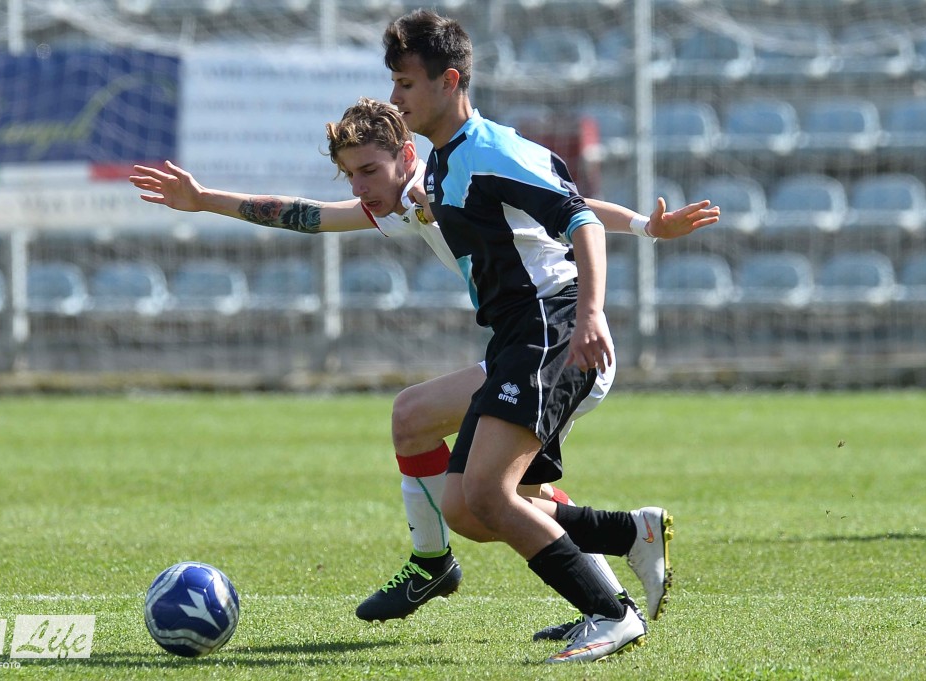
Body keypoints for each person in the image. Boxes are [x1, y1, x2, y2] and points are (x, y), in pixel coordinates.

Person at [129, 98, 716, 650]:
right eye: (350, 175)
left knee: (487, 493)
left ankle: (587, 587)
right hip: (522, 344)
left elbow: (568, 205)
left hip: (556, 338)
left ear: (406, 154)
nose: (359, 187)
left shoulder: (441, 180)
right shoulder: (407, 198)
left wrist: (644, 227)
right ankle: (597, 548)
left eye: (368, 170)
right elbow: (306, 215)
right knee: (445, 458)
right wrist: (204, 200)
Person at [380, 8, 683, 663]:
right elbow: (557, 202)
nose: (396, 97)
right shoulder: (445, 164)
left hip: (552, 324)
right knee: (465, 506)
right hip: (517, 337)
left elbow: (578, 218)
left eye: (405, 84)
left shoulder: (490, 150)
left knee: (490, 493)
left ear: (449, 81)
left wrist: (592, 313)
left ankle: (611, 615)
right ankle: (629, 533)